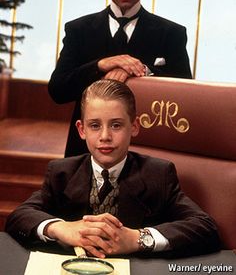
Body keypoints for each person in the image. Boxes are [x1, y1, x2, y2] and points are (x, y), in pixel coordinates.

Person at [6, 79, 220, 258]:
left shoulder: (158, 174)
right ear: (81, 130)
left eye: (116, 125)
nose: (105, 136)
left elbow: (204, 227)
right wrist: (60, 228)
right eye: (95, 125)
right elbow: (19, 217)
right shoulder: (62, 172)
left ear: (134, 127)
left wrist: (139, 239)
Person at [48, 0, 193, 157]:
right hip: (84, 154)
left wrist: (139, 71)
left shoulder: (172, 33)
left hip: (147, 151)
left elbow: (185, 91)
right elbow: (58, 90)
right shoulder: (78, 30)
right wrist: (100, 65)